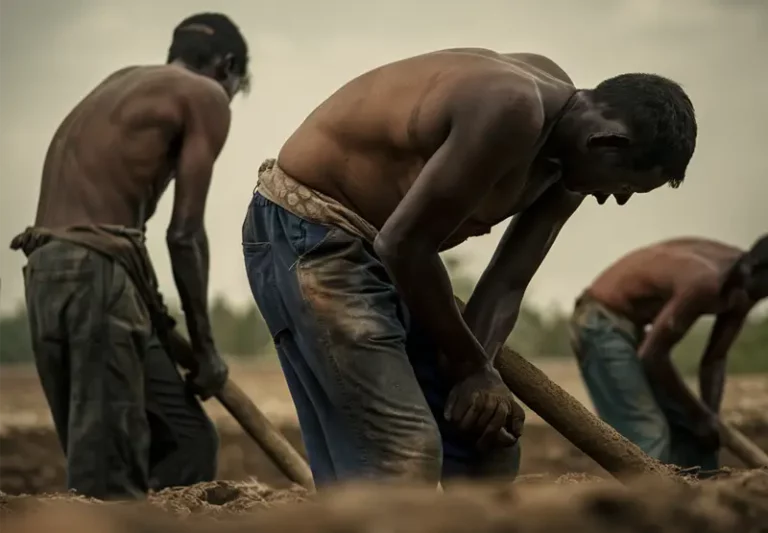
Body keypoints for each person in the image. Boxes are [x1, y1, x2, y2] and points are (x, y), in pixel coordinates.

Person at [242, 48, 697, 487]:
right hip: (311, 232)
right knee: (404, 449)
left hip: (393, 258)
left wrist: (479, 378)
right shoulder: (512, 107)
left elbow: (507, 282)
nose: (610, 199)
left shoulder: (566, 165)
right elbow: (403, 244)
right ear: (608, 142)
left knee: (486, 440)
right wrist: (470, 364)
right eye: (623, 186)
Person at [9, 13, 249, 500]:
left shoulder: (118, 85)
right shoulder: (203, 95)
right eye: (235, 88)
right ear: (226, 67)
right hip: (96, 274)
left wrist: (163, 324)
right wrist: (205, 351)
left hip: (50, 273)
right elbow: (184, 235)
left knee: (188, 438)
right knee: (105, 475)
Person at [569, 235, 768, 472]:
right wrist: (699, 414)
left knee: (696, 434)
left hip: (634, 331)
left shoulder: (747, 286)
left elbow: (715, 358)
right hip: (599, 322)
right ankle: (650, 501)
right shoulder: (707, 281)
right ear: (753, 273)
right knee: (649, 431)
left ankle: (700, 502)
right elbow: (652, 357)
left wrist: (709, 418)